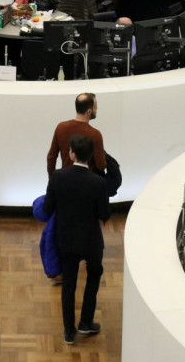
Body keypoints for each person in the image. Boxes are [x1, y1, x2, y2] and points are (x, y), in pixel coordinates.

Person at [43, 134, 110, 345]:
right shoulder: (99, 183)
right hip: (91, 239)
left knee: (69, 284)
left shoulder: (57, 177)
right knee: (94, 274)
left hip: (67, 238)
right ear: (90, 157)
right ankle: (86, 322)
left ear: (71, 153)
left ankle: (69, 331)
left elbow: (47, 208)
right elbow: (104, 214)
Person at [47, 92, 107, 176]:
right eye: (95, 108)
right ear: (89, 111)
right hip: (87, 183)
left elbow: (51, 157)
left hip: (65, 180)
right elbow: (101, 165)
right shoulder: (95, 134)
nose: (96, 110)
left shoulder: (61, 127)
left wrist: (53, 180)